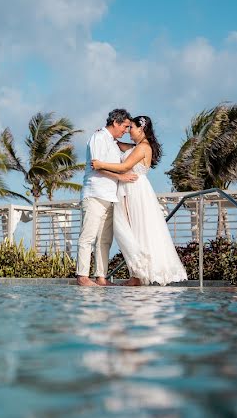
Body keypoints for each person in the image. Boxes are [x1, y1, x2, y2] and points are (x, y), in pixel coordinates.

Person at [92, 115, 188, 286]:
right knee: (130, 229)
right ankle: (137, 273)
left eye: (132, 128)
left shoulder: (143, 147)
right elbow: (119, 145)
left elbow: (124, 167)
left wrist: (101, 165)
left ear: (141, 129)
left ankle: (138, 275)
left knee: (132, 230)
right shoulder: (137, 146)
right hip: (131, 188)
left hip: (134, 189)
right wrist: (105, 134)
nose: (129, 131)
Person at [76, 109, 139, 287]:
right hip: (95, 194)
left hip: (111, 197)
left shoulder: (113, 142)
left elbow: (133, 149)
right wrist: (121, 177)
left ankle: (101, 278)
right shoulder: (98, 137)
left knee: (105, 240)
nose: (126, 130)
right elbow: (96, 166)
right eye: (125, 126)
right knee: (87, 237)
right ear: (115, 123)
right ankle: (82, 276)